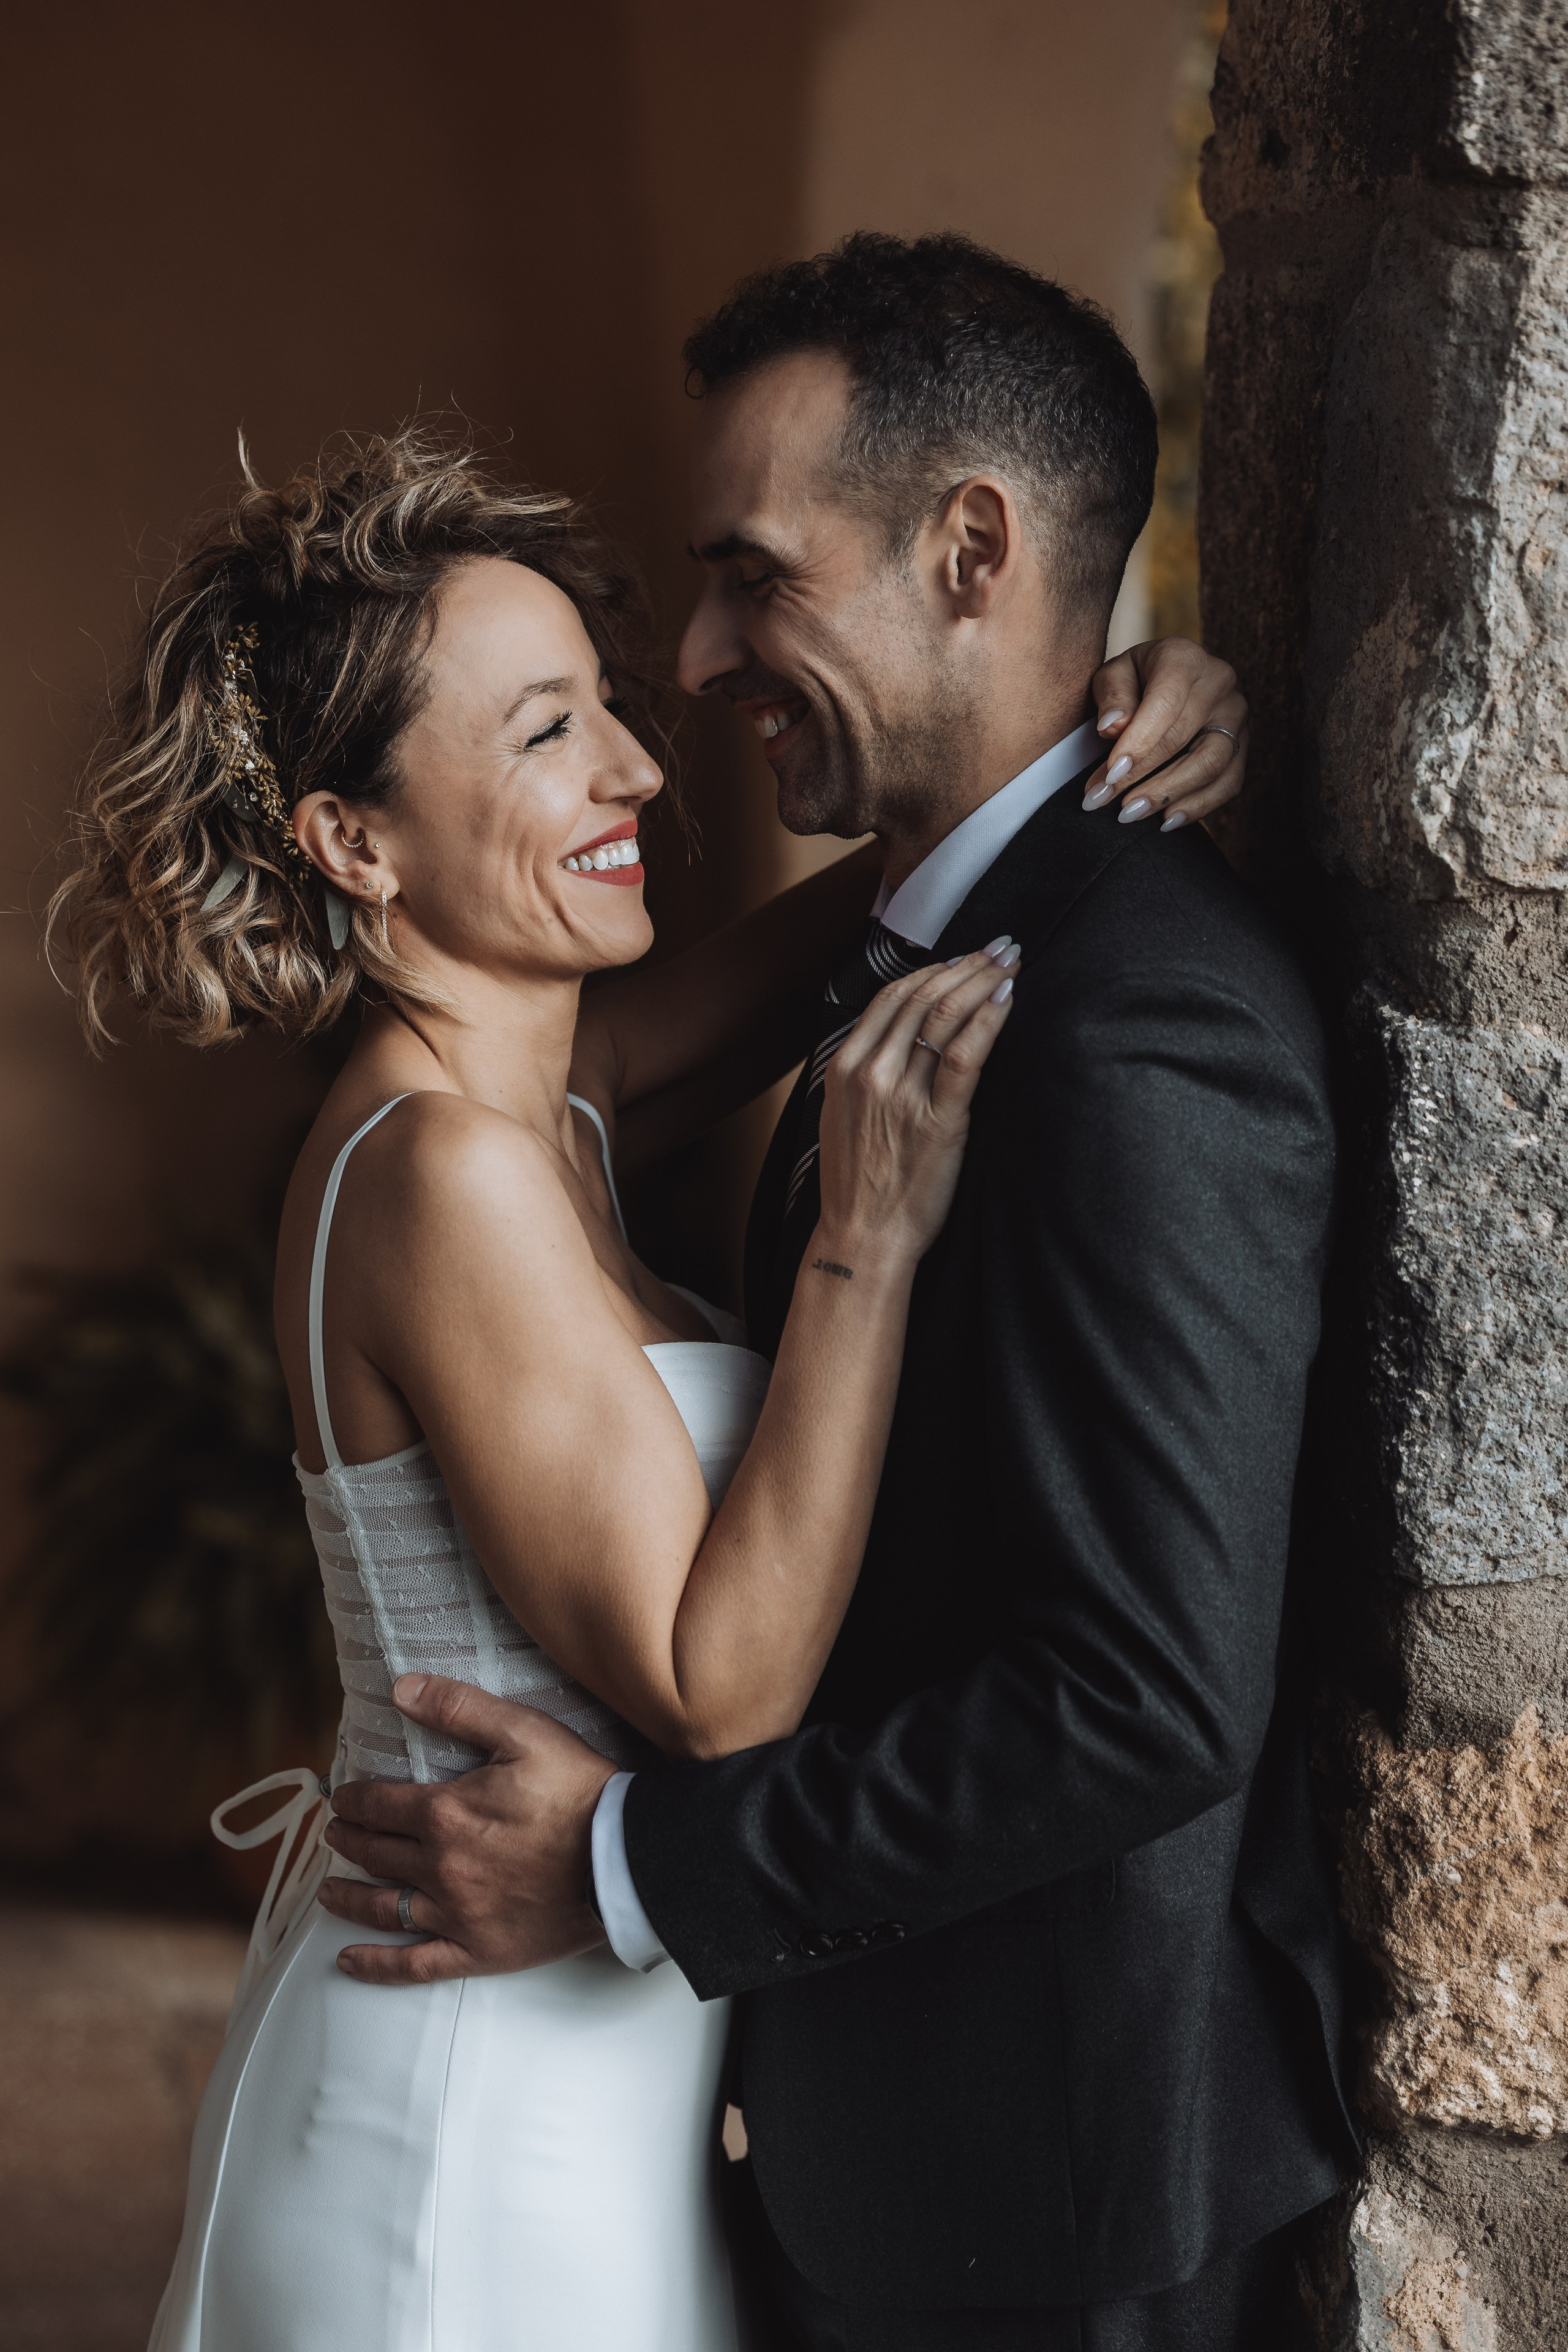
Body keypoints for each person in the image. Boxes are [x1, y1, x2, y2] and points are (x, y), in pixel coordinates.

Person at [49, 404, 1241, 2351]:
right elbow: (718, 1684)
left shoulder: (555, 1097)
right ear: (353, 842)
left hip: (595, 2070)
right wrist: (862, 1242)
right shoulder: (438, 1172)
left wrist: (1130, 719)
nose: (630, 765)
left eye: (603, 700)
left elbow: (927, 884)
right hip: (469, 2106)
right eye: (541, 733)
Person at [321, 236, 1355, 2351]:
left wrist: (628, 1873)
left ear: (972, 548)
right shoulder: (525, 1110)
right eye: (555, 722)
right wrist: (1061, 755)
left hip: (1055, 2206)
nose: (686, 677)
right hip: (839, 2150)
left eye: (749, 576)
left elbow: (1145, 1699)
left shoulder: (1139, 1026)